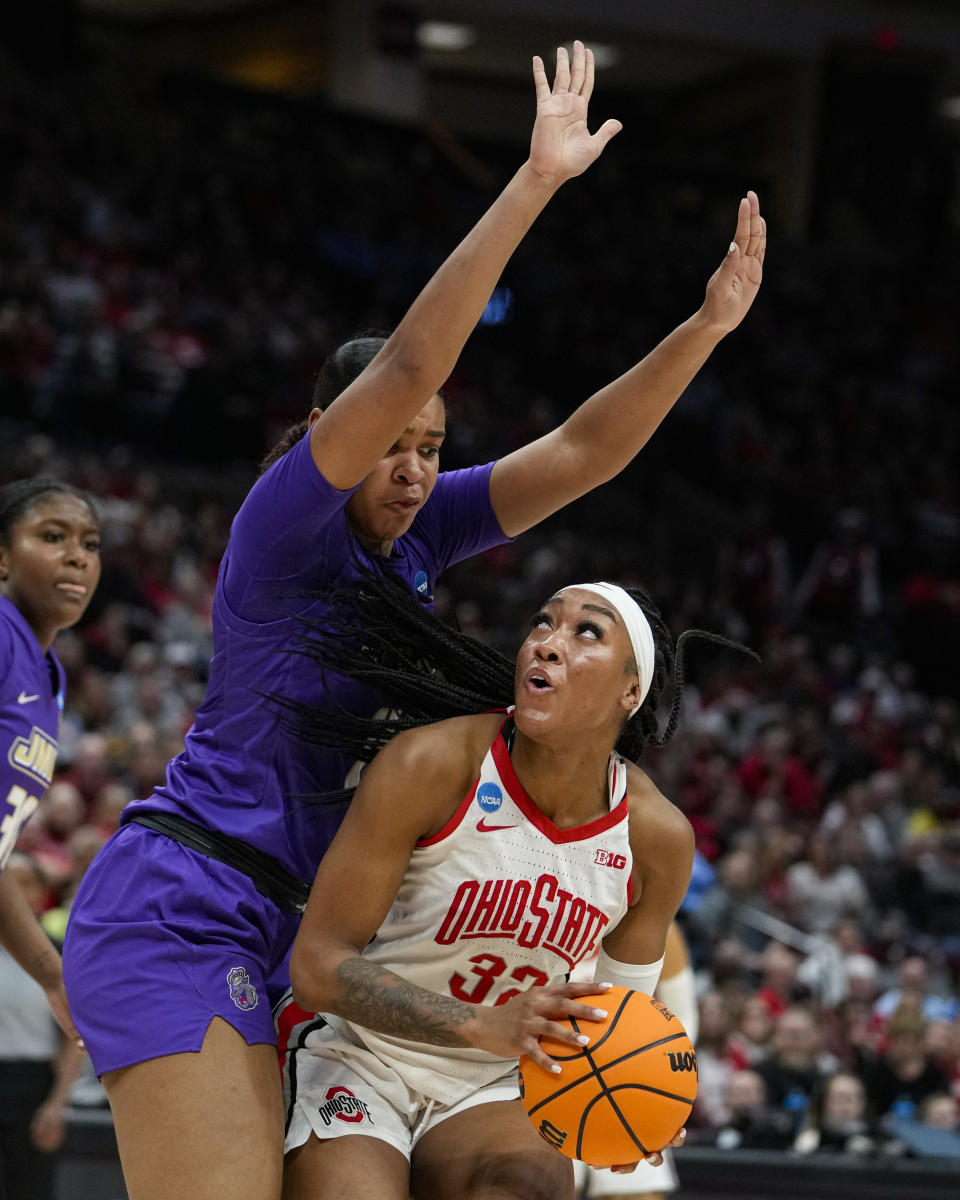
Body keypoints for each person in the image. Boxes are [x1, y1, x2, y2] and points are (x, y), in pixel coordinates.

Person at [62, 41, 766, 1200]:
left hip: (295, 924)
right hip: (186, 903)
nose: (412, 467)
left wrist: (704, 329)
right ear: (326, 432)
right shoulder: (287, 522)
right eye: (392, 441)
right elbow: (406, 362)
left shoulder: (422, 537)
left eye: (432, 448)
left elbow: (584, 452)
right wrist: (534, 184)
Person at [276, 580, 751, 1200]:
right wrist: (477, 1022)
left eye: (588, 632)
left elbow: (616, 1023)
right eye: (543, 623)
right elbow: (316, 967)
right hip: (363, 1055)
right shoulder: (432, 765)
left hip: (502, 1079)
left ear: (631, 691)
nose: (548, 644)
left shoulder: (657, 838)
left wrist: (634, 1102)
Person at [0, 476, 101, 1051]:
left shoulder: (49, 676)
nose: (77, 556)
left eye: (90, 544)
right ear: (3, 559)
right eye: (53, 535)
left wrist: (51, 975)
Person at [574, 921, 700, 1198]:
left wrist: (656, 1082)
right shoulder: (541, 916)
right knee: (549, 1184)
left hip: (630, 1086)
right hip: (552, 1076)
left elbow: (684, 1022)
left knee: (637, 1192)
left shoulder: (661, 926)